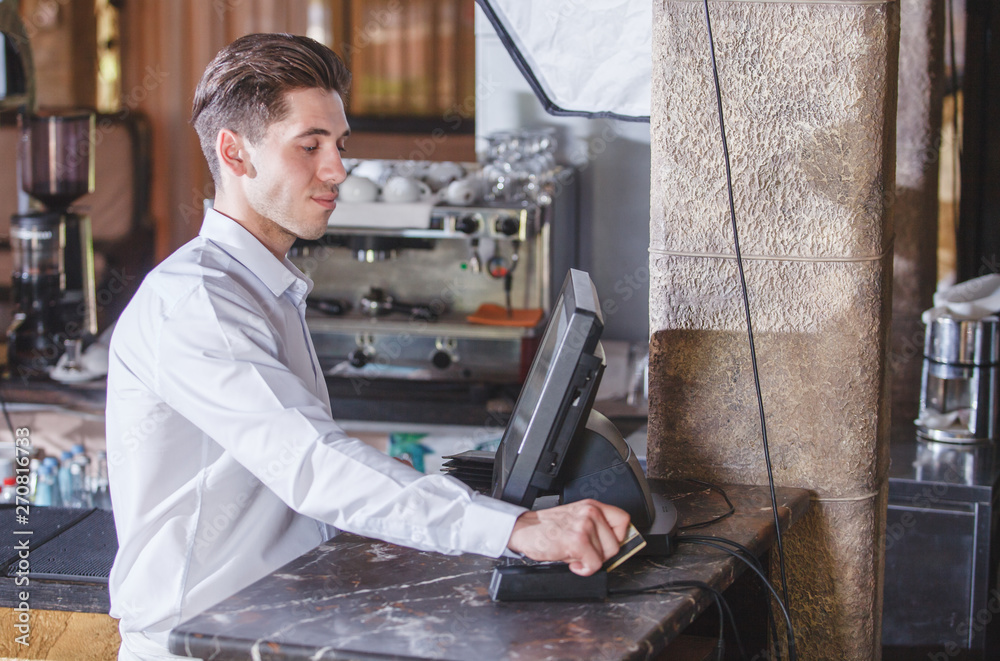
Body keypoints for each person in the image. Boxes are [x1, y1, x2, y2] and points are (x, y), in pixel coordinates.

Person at [106, 33, 630, 661]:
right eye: (310, 146)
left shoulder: (264, 285)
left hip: (272, 621)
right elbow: (312, 464)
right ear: (234, 152)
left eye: (340, 145)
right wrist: (515, 529)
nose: (338, 170)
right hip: (199, 641)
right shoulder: (198, 303)